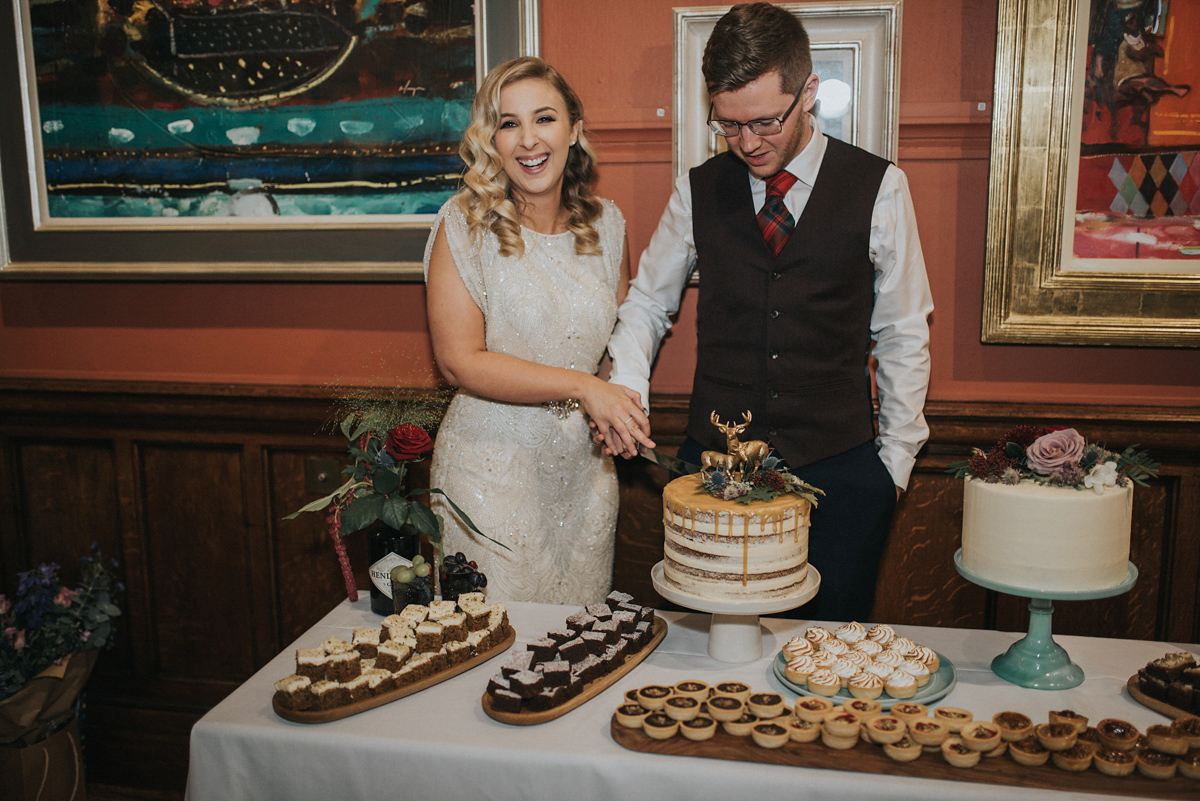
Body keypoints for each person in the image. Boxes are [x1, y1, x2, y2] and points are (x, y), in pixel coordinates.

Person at [603, 3, 933, 622]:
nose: (747, 143)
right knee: (712, 665)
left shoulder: (880, 187)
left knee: (826, 668)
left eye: (765, 122)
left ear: (807, 92)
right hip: (715, 471)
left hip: (842, 471)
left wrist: (893, 468)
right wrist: (627, 390)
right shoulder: (697, 190)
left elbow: (903, 331)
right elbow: (647, 303)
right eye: (728, 125)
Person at [424, 57, 654, 605]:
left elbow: (608, 343)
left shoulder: (607, 224)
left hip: (584, 476)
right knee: (487, 648)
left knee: (573, 654)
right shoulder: (463, 225)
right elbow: (459, 361)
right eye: (508, 124)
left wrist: (613, 410)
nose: (528, 140)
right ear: (492, 140)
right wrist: (584, 388)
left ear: (574, 129)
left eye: (544, 119)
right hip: (488, 474)